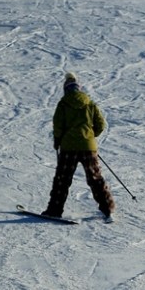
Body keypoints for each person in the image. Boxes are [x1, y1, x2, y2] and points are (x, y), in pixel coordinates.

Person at [44, 73, 115, 220]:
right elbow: (101, 124)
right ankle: (108, 209)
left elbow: (58, 125)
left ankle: (54, 210)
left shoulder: (63, 104)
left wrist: (57, 140)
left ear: (66, 89)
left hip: (68, 147)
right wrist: (89, 137)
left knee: (62, 180)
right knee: (95, 178)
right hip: (88, 147)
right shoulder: (90, 103)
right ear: (79, 88)